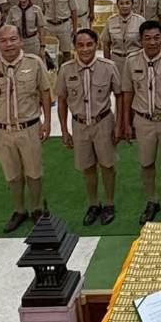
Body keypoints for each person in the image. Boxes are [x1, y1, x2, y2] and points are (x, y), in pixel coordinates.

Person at [0, 24, 54, 232]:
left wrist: (47, 122)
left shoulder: (34, 63)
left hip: (29, 127)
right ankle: (19, 209)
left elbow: (45, 93)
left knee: (34, 172)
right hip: (3, 130)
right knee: (12, 174)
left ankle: (37, 207)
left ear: (21, 41)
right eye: (3, 40)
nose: (8, 44)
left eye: (13, 39)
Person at [119, 20, 161, 224]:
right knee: (146, 163)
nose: (152, 42)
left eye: (156, 38)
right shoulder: (131, 61)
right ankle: (152, 200)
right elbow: (127, 93)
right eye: (147, 38)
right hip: (143, 121)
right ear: (140, 40)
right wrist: (126, 123)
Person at [57, 28, 120, 227]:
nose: (85, 49)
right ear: (74, 47)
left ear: (97, 45)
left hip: (103, 122)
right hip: (79, 125)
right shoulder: (66, 69)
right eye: (80, 45)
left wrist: (119, 125)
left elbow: (120, 96)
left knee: (107, 165)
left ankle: (109, 203)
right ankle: (93, 203)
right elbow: (61, 100)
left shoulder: (108, 67)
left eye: (89, 44)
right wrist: (64, 130)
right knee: (87, 166)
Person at [6, 0, 46, 65]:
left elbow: (41, 28)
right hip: (18, 42)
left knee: (36, 64)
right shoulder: (13, 10)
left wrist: (42, 46)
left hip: (33, 42)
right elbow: (8, 28)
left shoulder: (36, 9)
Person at [103, 0, 140, 68]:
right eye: (121, 3)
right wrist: (107, 63)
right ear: (117, 5)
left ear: (132, 4)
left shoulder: (140, 21)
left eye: (127, 3)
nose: (124, 6)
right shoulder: (110, 21)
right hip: (116, 60)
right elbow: (106, 44)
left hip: (135, 60)